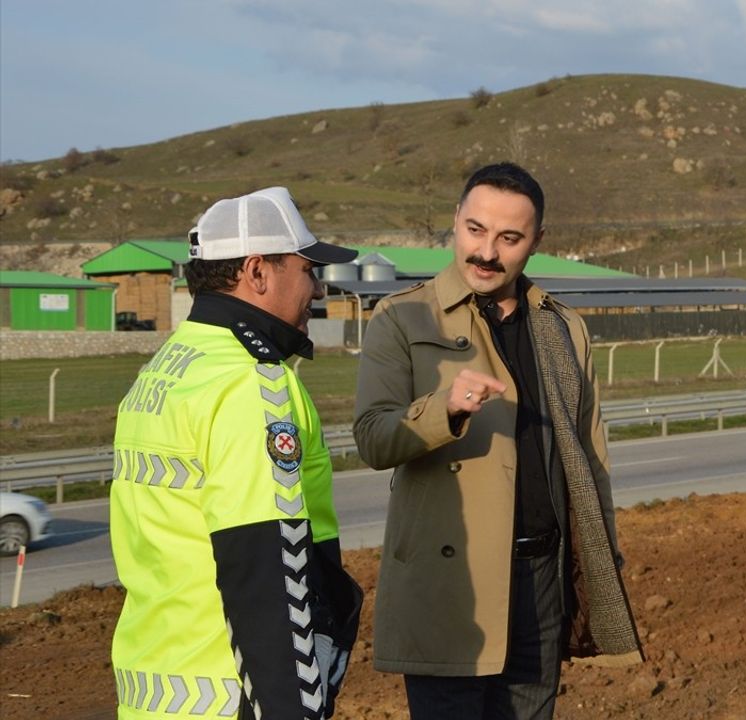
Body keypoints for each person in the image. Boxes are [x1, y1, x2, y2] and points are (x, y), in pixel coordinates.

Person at [353, 162, 643, 720]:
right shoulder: (402, 317)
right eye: (475, 230)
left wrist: (600, 553)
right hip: (451, 586)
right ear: (455, 222)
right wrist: (445, 410)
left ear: (536, 242)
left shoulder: (563, 327)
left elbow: (589, 456)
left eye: (509, 238)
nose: (487, 252)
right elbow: (371, 439)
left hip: (541, 581)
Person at [110, 187, 363, 720]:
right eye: (307, 269)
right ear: (258, 272)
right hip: (231, 697)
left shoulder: (164, 370)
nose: (316, 289)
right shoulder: (250, 384)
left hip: (152, 694)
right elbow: (269, 571)